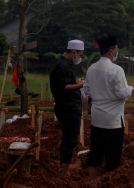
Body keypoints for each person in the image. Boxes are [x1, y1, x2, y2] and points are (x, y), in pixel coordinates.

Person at [84, 35, 134, 176]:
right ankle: (109, 181)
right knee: (113, 158)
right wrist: (132, 87)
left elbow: (87, 91)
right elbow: (122, 94)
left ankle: (92, 182)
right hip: (113, 121)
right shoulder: (116, 70)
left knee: (95, 154)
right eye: (116, 49)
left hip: (97, 118)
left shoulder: (91, 69)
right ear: (111, 50)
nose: (116, 52)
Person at [49, 39, 85, 175]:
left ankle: (66, 165)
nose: (80, 57)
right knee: (69, 139)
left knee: (70, 137)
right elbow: (64, 87)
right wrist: (81, 85)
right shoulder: (62, 66)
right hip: (68, 108)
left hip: (68, 107)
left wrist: (76, 83)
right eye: (80, 54)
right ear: (74, 52)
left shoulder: (65, 65)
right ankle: (64, 170)